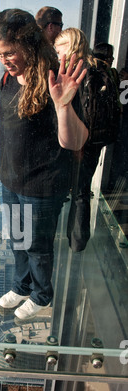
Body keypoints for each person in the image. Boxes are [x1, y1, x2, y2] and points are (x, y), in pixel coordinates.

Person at [0, 9, 88, 321]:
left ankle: (42, 296)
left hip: (42, 187)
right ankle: (21, 286)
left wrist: (62, 106)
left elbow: (75, 141)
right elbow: (6, 122)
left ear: (30, 44)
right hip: (12, 181)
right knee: (18, 242)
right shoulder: (9, 77)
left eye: (10, 52)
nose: (3, 60)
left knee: (38, 249)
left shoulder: (54, 78)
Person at [55, 29, 119, 252]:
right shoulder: (99, 67)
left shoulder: (76, 72)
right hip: (97, 139)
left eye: (59, 48)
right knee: (82, 190)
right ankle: (77, 243)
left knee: (77, 190)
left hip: (79, 140)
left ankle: (74, 242)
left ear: (70, 46)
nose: (57, 53)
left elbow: (75, 109)